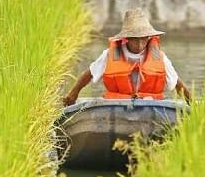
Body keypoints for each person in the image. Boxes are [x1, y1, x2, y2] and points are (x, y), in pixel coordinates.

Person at [63, 8, 191, 106]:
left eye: (144, 39)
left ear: (149, 37)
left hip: (150, 105)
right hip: (117, 105)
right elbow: (89, 74)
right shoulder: (110, 54)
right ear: (126, 39)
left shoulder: (159, 57)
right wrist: (73, 93)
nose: (140, 44)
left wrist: (192, 103)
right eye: (135, 40)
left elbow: (177, 83)